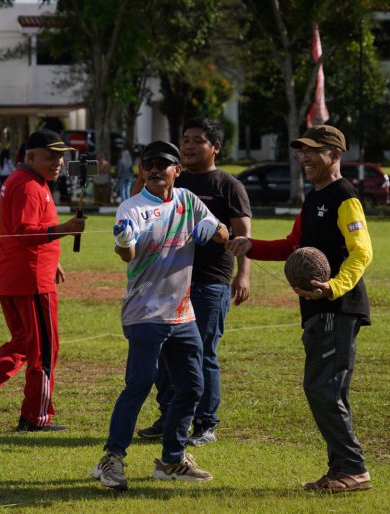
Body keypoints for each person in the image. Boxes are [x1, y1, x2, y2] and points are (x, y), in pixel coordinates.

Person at [227, 125, 373, 493]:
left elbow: (362, 252)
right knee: (325, 390)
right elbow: (294, 245)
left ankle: (353, 469)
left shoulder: (345, 197)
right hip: (318, 310)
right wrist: (251, 246)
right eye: (302, 151)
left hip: (337, 308)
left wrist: (334, 287)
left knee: (324, 389)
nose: (305, 157)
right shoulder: (313, 198)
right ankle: (342, 469)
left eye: (314, 151)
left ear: (335, 155)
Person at [91, 141, 229, 491]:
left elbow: (224, 233)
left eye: (163, 164)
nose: (154, 170)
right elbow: (127, 251)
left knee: (192, 387)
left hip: (182, 314)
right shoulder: (132, 207)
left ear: (176, 171)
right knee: (138, 384)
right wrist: (123, 242)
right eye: (148, 165)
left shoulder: (188, 201)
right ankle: (111, 459)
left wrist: (213, 231)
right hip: (145, 313)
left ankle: (171, 459)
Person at [134, 118, 252, 447]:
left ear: (215, 148)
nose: (188, 145)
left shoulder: (228, 185)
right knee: (162, 354)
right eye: (185, 139)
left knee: (201, 354)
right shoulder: (169, 180)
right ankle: (170, 415)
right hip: (165, 283)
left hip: (209, 283)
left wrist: (243, 274)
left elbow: (243, 234)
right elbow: (138, 209)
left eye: (198, 140)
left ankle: (204, 424)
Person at [0, 129, 86, 432]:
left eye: (60, 156)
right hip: (31, 281)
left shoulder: (27, 181)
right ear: (30, 157)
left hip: (15, 274)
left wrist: (53, 259)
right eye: (50, 156)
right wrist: (65, 229)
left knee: (23, 343)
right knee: (45, 351)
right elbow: (24, 231)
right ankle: (35, 417)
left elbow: (26, 229)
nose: (58, 162)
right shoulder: (30, 185)